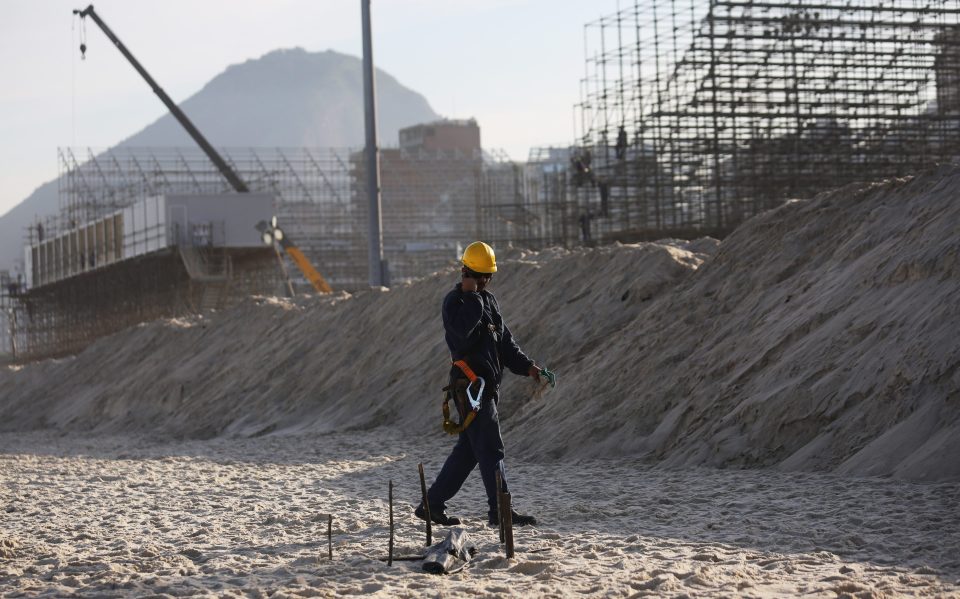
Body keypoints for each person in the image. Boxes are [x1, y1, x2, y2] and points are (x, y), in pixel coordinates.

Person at [415, 241, 541, 527]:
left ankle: (431, 505)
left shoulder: (490, 301)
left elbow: (505, 343)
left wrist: (528, 367)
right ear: (466, 273)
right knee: (491, 448)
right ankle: (500, 511)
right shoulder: (455, 302)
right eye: (480, 276)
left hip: (487, 388)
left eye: (488, 277)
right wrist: (471, 297)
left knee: (469, 451)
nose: (485, 281)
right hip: (470, 388)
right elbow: (461, 334)